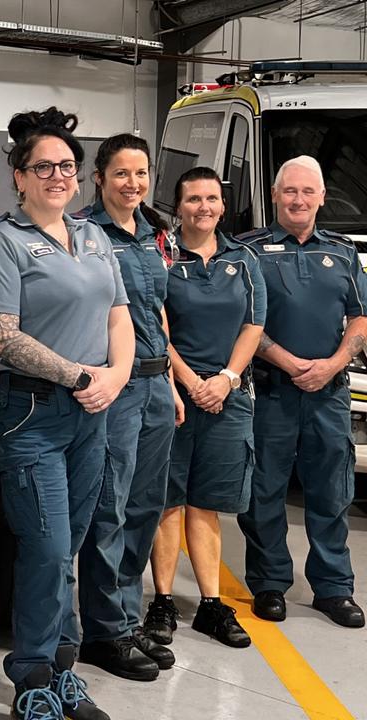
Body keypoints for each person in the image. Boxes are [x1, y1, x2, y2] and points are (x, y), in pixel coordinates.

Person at [0, 108, 134, 720]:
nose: (58, 176)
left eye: (67, 166)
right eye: (44, 167)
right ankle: (32, 680)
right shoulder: (0, 242)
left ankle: (64, 672)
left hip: (94, 411)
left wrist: (114, 376)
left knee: (71, 546)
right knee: (46, 546)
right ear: (20, 175)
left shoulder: (93, 237)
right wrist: (80, 375)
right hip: (32, 414)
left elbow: (120, 315)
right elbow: (2, 337)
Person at [236, 155, 367, 629]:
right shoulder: (247, 250)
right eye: (290, 191)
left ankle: (334, 588)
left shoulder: (344, 252)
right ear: (274, 195)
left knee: (332, 491)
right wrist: (288, 362)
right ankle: (270, 584)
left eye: (307, 192)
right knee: (264, 491)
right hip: (271, 392)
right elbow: (244, 318)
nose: (298, 199)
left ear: (322, 198)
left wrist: (334, 363)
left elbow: (360, 316)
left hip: (328, 393)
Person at [144, 167, 265, 650]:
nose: (204, 207)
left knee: (207, 503)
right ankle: (163, 601)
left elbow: (254, 327)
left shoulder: (245, 259)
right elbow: (157, 326)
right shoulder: (163, 257)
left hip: (226, 397)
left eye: (212, 198)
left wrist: (226, 380)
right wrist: (193, 381)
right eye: (193, 198)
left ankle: (212, 605)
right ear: (179, 206)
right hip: (172, 396)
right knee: (169, 501)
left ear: (222, 204)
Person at [73, 134, 178, 681]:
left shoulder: (156, 236)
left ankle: (128, 619)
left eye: (141, 173)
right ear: (99, 178)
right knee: (108, 509)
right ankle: (103, 631)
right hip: (115, 389)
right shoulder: (84, 235)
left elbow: (157, 314)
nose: (132, 184)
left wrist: (175, 388)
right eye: (121, 174)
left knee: (144, 506)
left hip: (157, 387)